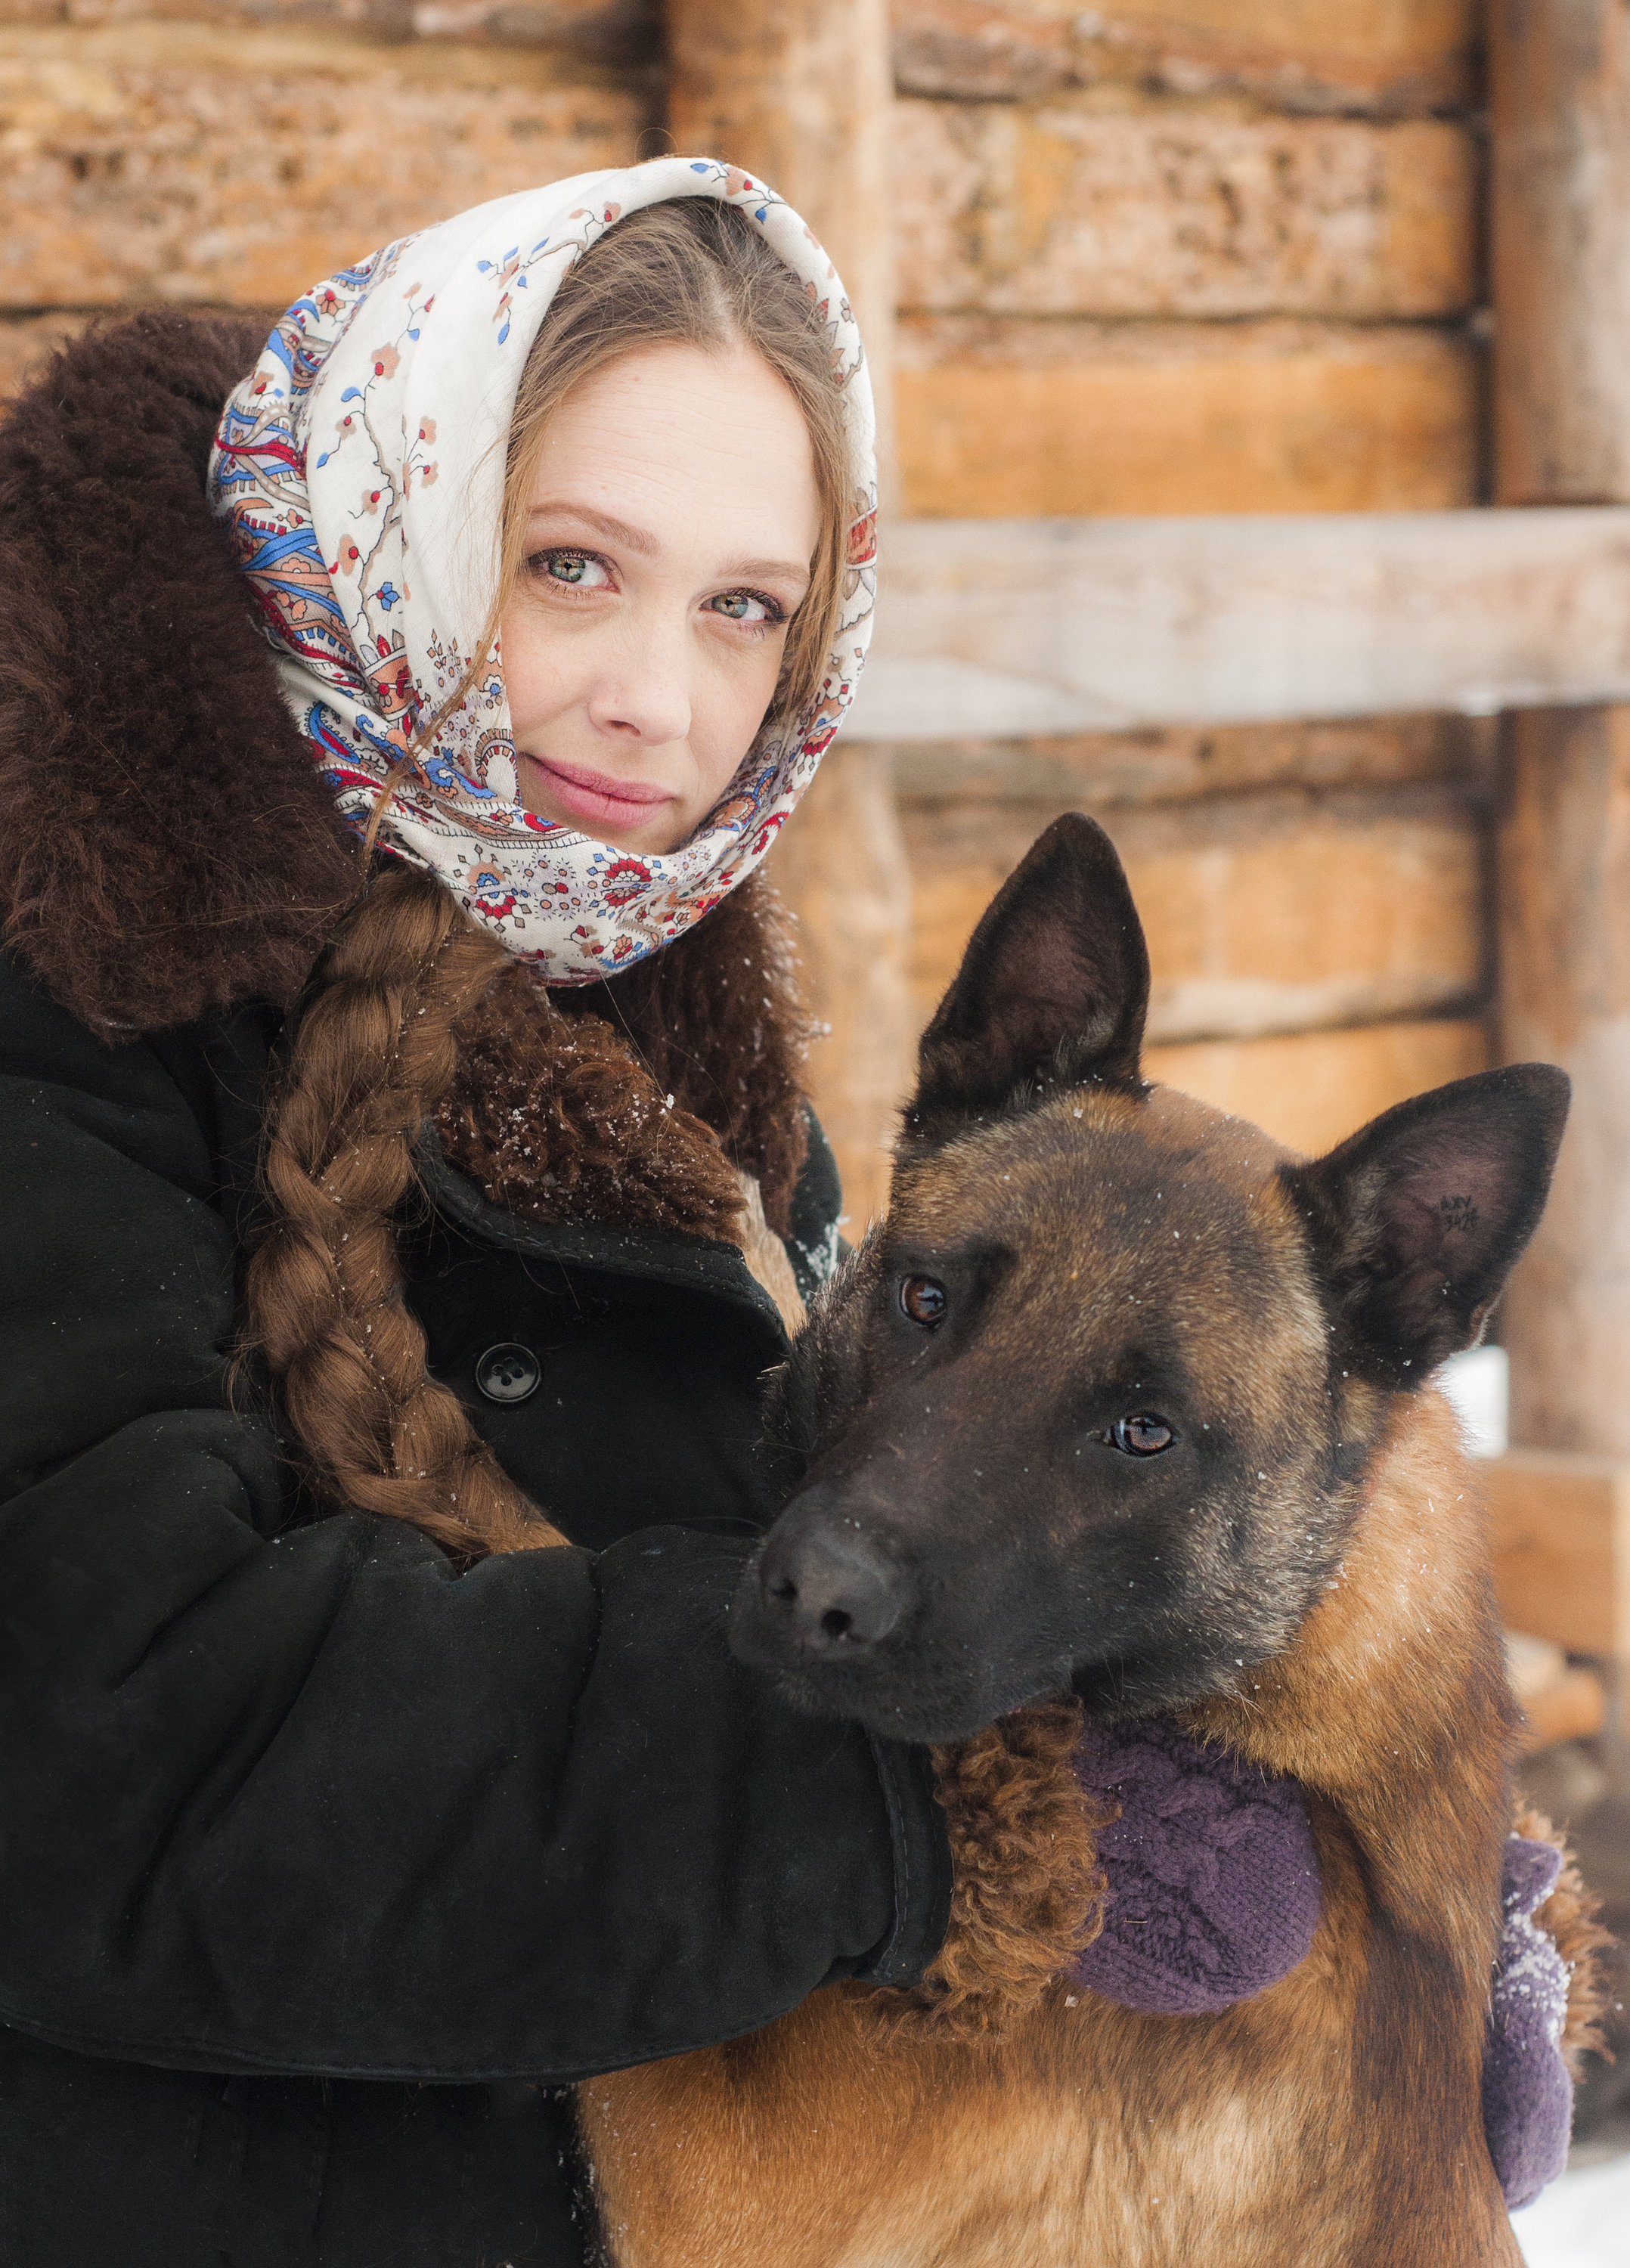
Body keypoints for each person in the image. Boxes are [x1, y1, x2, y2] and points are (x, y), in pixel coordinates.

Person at [0, 156, 1579, 2268]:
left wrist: (1354, 1983)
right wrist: (949, 1805)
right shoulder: (73, 989)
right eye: (568, 565)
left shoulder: (660, 1028)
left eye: (744, 605)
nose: (657, 702)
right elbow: (105, 1760)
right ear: (386, 506)